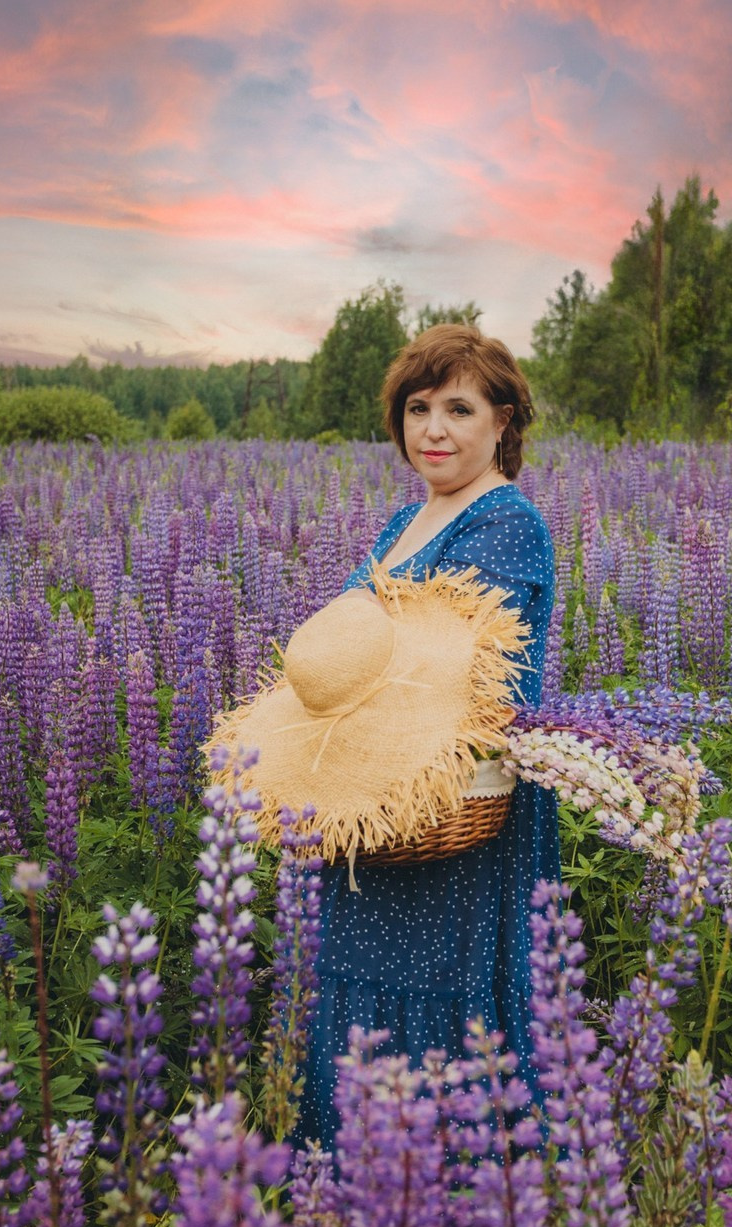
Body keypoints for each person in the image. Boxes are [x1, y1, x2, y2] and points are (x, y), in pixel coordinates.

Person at [296, 323, 558, 1146]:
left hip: (455, 803)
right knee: (358, 1004)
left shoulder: (507, 523)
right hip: (378, 803)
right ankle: (345, 1198)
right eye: (418, 409)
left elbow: (457, 672)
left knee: (444, 1018)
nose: (433, 430)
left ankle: (444, 1200)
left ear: (503, 421)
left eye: (458, 409)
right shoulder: (403, 522)